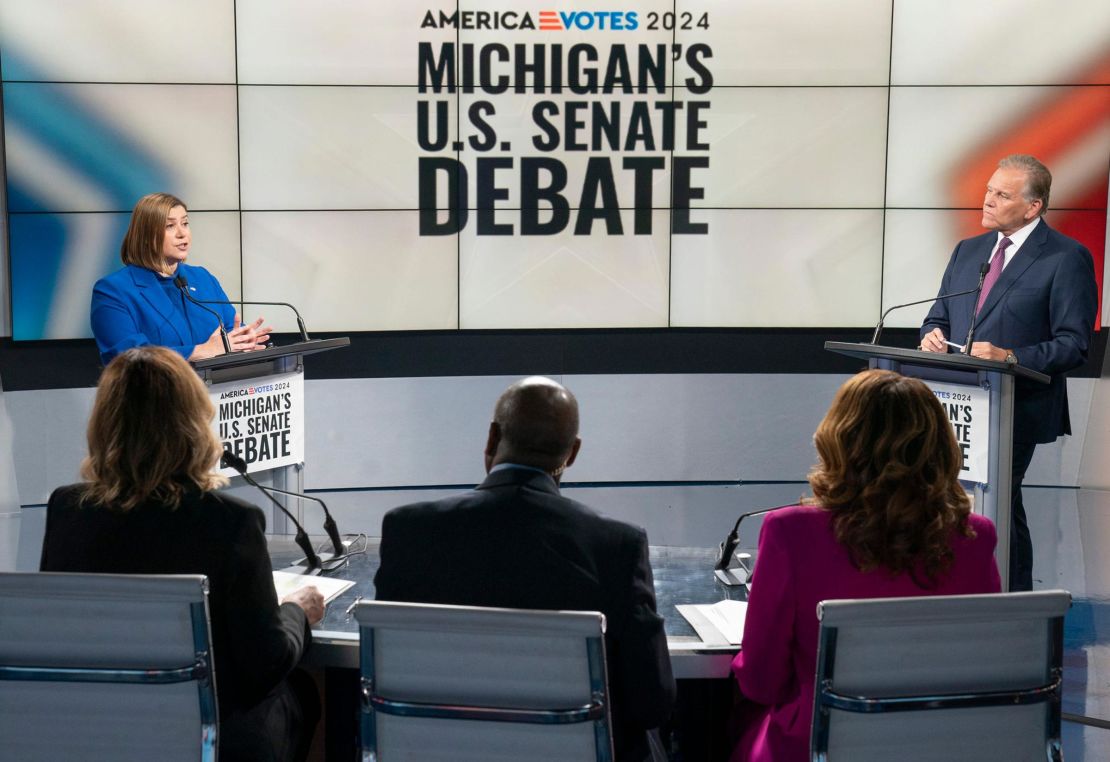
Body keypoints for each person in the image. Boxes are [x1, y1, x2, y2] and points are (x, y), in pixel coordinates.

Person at [40, 346, 323, 762]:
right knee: (306, 694)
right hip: (211, 740)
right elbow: (265, 666)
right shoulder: (230, 521)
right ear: (194, 424)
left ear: (104, 425)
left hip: (101, 736)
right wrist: (297, 610)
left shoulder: (68, 511)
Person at [374, 376, 676, 761]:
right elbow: (652, 702)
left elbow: (391, 671)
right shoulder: (616, 545)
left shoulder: (408, 530)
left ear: (491, 438)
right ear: (572, 453)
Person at [731, 370, 1002, 762]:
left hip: (814, 747)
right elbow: (983, 671)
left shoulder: (790, 532)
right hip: (938, 748)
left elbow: (760, 682)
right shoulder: (975, 537)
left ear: (839, 438)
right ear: (939, 445)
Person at [920, 154, 1098, 591]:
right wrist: (932, 336)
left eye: (1002, 194)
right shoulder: (968, 250)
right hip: (957, 404)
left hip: (1015, 405)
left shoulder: (1066, 258)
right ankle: (967, 586)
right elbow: (937, 315)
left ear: (1033, 206)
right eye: (988, 190)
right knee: (966, 500)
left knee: (999, 497)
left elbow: (1074, 344)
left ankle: (1015, 596)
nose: (988, 200)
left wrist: (1010, 357)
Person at [91, 192, 271, 365]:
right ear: (146, 236)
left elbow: (228, 335)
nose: (182, 233)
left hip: (216, 392)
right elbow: (126, 357)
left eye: (185, 223)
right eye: (170, 226)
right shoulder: (113, 290)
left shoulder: (202, 278)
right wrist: (202, 351)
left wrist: (244, 342)